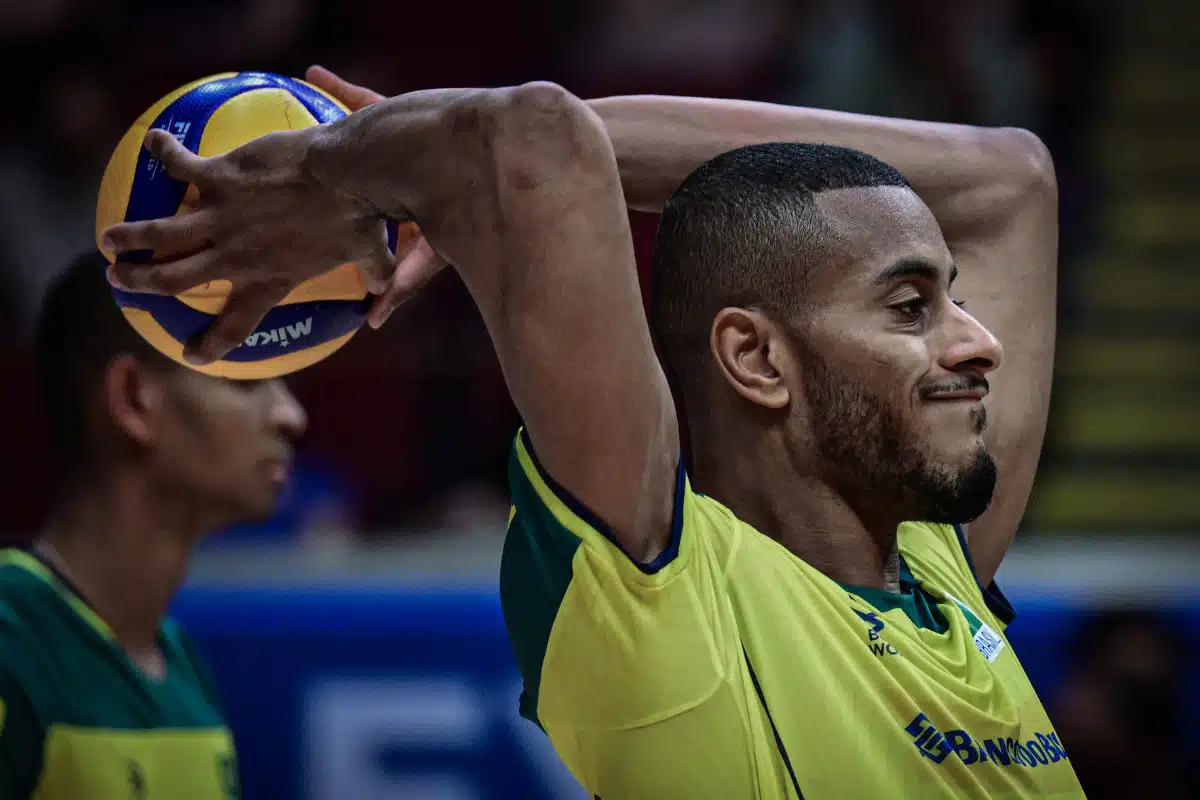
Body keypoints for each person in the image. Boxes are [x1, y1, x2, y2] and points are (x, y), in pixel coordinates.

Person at [101, 64, 1080, 797]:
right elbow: (532, 141)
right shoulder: (669, 606)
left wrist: (402, 176)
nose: (981, 342)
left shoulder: (934, 566)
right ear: (756, 359)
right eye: (911, 307)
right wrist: (349, 171)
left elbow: (1011, 178)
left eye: (955, 300)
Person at [0, 251, 307, 798]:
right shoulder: (12, 645)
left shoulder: (187, 673)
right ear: (133, 399)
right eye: (245, 377)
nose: (291, 416)